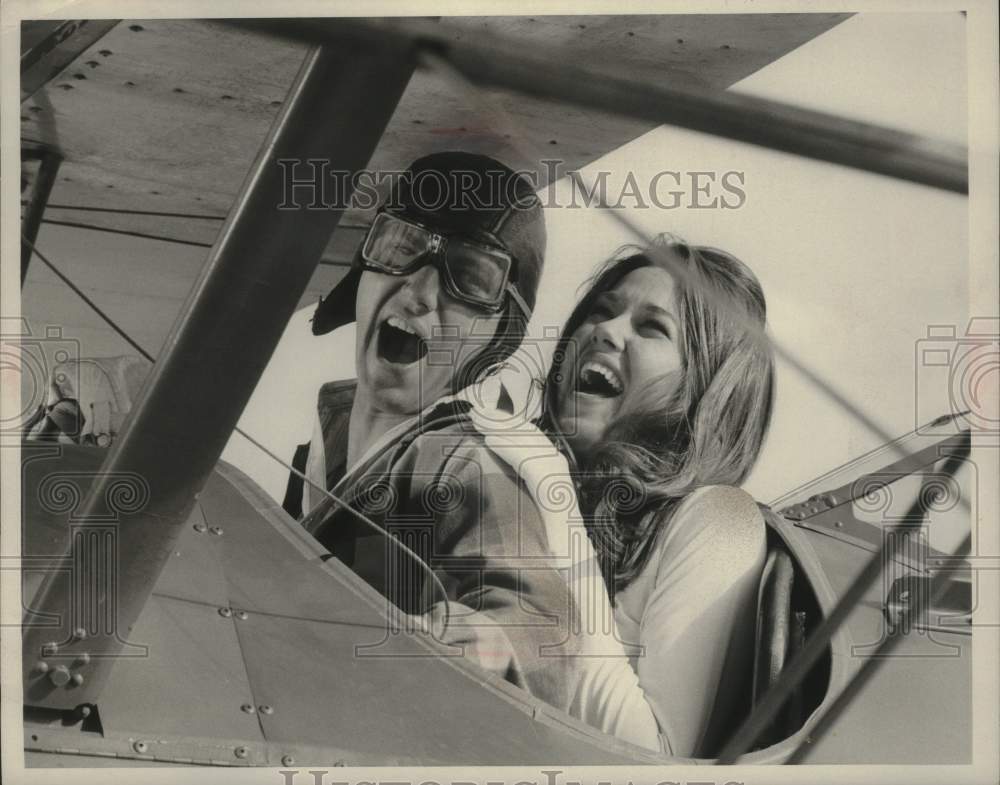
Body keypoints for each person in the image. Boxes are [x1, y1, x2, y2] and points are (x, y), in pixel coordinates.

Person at [281, 151, 582, 713]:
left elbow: (540, 627)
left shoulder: (463, 465)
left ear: (496, 333)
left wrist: (490, 642)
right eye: (399, 246)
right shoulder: (318, 452)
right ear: (363, 275)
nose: (417, 292)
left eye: (469, 278)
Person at [473, 233, 774, 756]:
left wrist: (550, 493)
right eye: (602, 311)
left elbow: (654, 756)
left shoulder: (717, 517)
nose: (605, 331)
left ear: (705, 384)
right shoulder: (515, 483)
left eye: (652, 328)